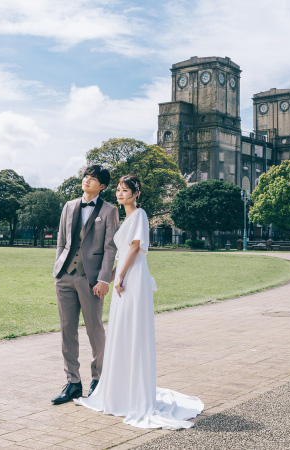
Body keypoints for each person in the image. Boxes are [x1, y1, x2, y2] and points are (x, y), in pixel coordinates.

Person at [75, 174, 203, 429]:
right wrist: (109, 279)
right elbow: (122, 252)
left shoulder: (140, 215)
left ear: (136, 193)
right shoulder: (125, 219)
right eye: (119, 191)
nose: (120, 194)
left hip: (134, 279)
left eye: (125, 191)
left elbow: (135, 247)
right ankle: (121, 391)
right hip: (123, 277)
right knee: (121, 332)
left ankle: (136, 394)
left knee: (133, 331)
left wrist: (120, 275)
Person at [51, 165, 118, 405]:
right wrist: (58, 269)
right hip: (65, 276)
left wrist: (103, 279)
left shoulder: (110, 211)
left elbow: (111, 247)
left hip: (91, 281)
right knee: (67, 330)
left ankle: (99, 380)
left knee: (94, 330)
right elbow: (61, 240)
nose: (87, 180)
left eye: (93, 179)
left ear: (102, 186)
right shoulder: (69, 206)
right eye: (85, 177)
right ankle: (73, 383)